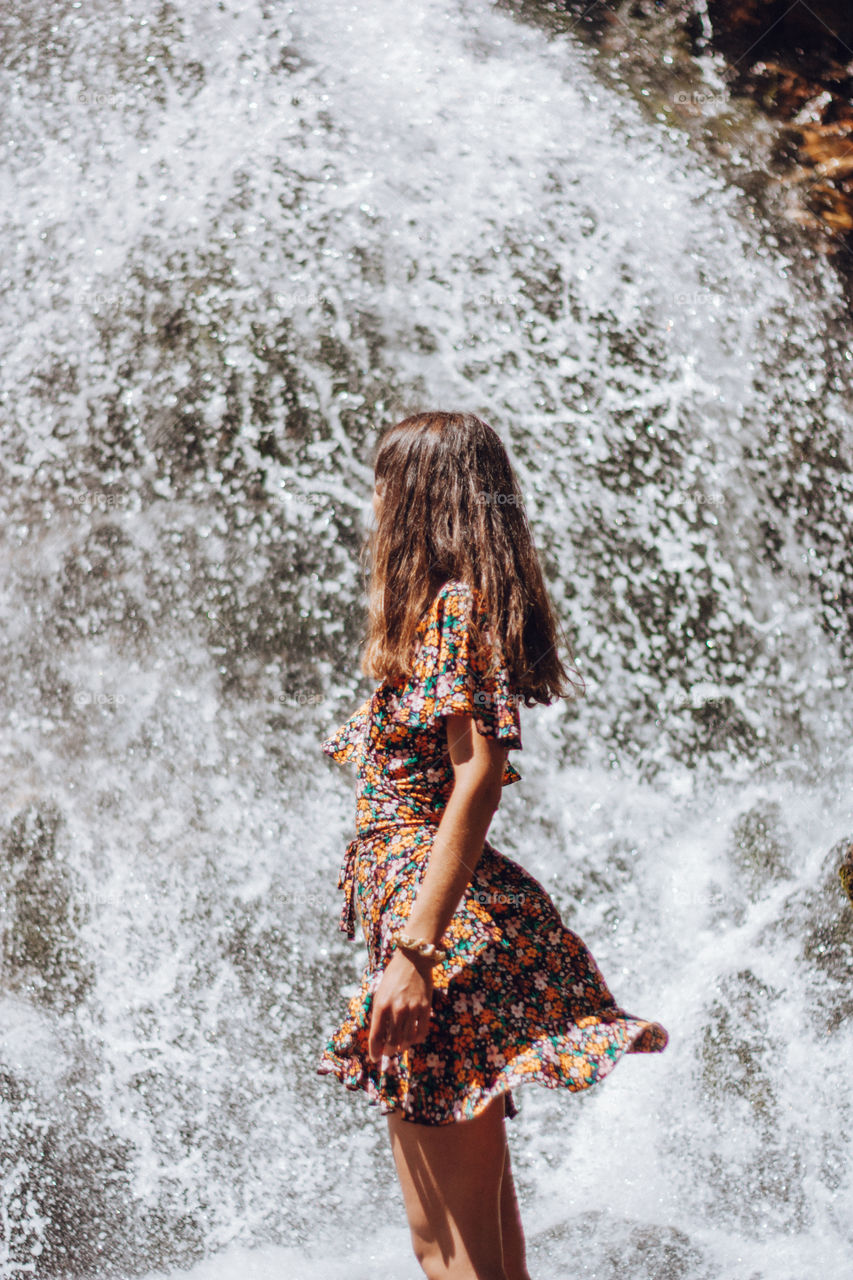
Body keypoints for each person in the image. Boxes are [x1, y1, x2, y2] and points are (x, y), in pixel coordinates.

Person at [317, 411, 669, 1280]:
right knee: (469, 1246)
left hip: (436, 938)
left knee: (451, 1253)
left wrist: (413, 957)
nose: (370, 502)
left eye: (382, 483)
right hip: (434, 929)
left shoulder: (451, 614)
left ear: (415, 500)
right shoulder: (444, 616)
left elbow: (475, 782)